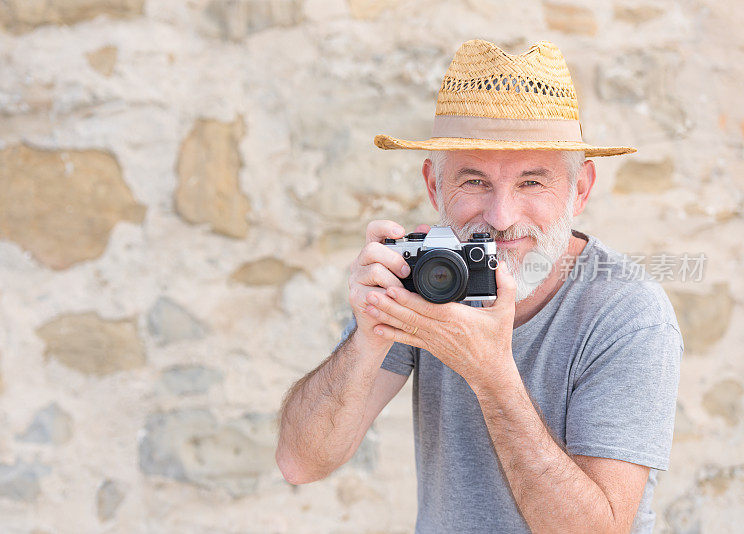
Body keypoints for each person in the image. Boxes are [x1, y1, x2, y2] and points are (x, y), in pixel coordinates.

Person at [276, 39, 683, 533]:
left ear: (580, 190)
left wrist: (492, 376)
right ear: (434, 187)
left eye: (532, 183)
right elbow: (301, 463)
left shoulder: (627, 312)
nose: (501, 217)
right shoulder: (427, 279)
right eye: (474, 182)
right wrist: (369, 334)